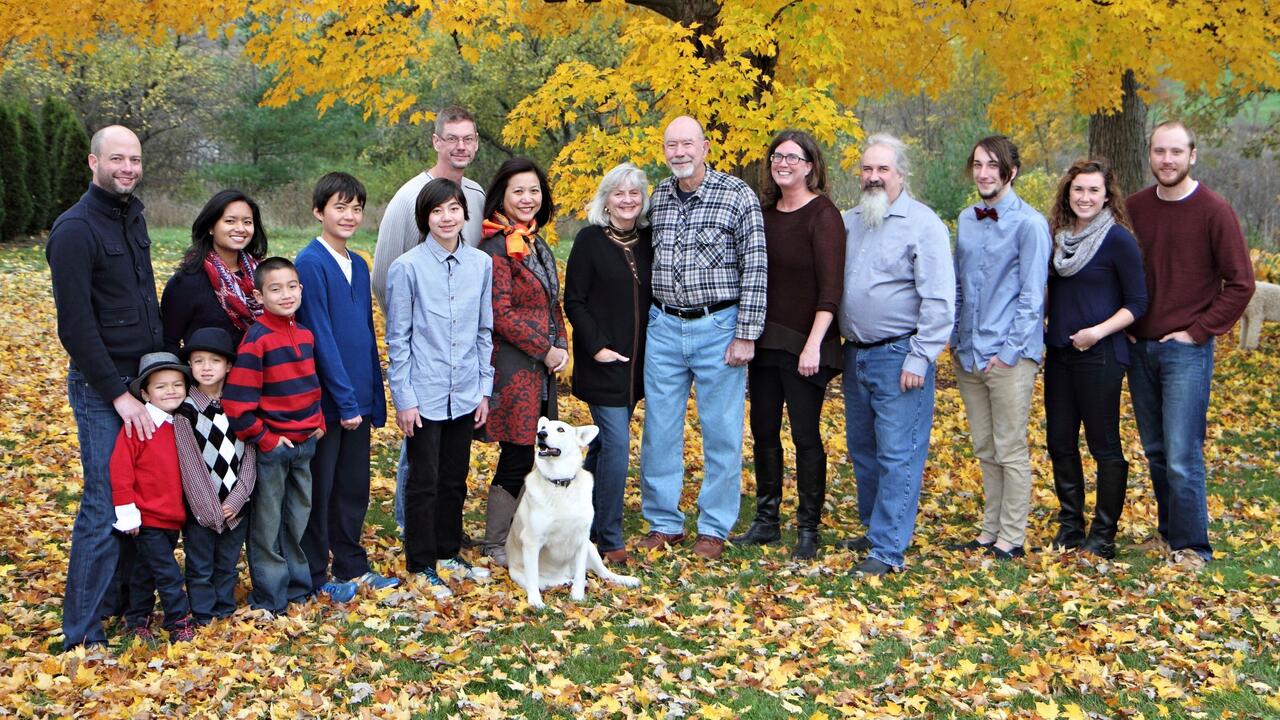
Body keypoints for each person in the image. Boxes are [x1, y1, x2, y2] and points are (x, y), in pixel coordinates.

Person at [47, 124, 163, 649]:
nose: (127, 168)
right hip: (104, 390)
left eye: (134, 159)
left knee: (136, 496)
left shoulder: (132, 217)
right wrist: (117, 393)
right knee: (102, 501)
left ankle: (120, 603)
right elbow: (75, 326)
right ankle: (82, 633)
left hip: (144, 385)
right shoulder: (74, 230)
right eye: (116, 159)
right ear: (92, 163)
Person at [1125, 121, 1255, 570]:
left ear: (1192, 155)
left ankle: (1193, 547)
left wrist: (1198, 332)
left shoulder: (1214, 210)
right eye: (1160, 151)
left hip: (1186, 350)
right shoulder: (1135, 208)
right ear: (1150, 156)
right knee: (1157, 452)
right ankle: (1169, 535)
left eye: (1176, 152)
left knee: (1182, 453)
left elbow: (1241, 284)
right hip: (1139, 348)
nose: (1167, 160)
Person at [638, 115, 768, 561]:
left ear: (706, 147)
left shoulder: (737, 196)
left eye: (687, 143)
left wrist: (747, 334)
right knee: (659, 429)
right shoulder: (658, 197)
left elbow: (756, 267)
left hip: (719, 328)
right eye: (671, 144)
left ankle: (713, 527)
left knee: (722, 431)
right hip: (665, 326)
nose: (679, 152)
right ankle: (663, 522)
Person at [836, 133, 955, 576]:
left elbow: (940, 299)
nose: (873, 176)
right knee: (863, 450)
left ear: (901, 175)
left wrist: (920, 357)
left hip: (899, 355)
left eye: (883, 169)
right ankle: (875, 528)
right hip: (856, 355)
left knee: (897, 453)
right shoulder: (852, 221)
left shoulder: (923, 224)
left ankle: (887, 550)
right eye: (867, 169)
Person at [371, 105, 487, 533]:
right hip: (424, 348)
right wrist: (416, 334)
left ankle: (441, 533)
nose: (461, 146)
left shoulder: (473, 195)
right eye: (451, 138)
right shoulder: (409, 198)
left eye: (469, 138)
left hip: (461, 349)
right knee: (419, 447)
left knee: (447, 457)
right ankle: (410, 524)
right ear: (436, 142)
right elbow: (385, 275)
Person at [729, 130, 844, 560]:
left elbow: (831, 290)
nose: (783, 163)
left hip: (806, 346)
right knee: (763, 433)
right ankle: (766, 520)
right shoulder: (763, 215)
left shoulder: (824, 216)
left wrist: (814, 344)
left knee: (805, 435)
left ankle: (808, 527)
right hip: (765, 344)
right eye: (777, 156)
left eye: (793, 158)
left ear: (811, 165)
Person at [386, 178, 495, 598]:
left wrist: (483, 389)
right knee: (424, 479)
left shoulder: (480, 265)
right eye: (437, 211)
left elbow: (484, 330)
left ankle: (449, 552)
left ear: (464, 215)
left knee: (455, 478)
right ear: (425, 218)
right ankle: (421, 562)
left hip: (466, 389)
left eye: (454, 209)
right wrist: (405, 400)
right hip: (425, 393)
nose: (446, 218)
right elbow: (398, 339)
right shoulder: (407, 267)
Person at [295, 173, 397, 603]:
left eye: (356, 208)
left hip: (358, 398)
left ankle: (353, 563)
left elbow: (363, 334)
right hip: (329, 403)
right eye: (340, 207)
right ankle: (316, 573)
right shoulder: (309, 263)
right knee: (323, 487)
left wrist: (374, 396)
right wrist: (345, 400)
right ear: (319, 212)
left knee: (354, 486)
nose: (349, 215)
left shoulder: (358, 263)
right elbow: (320, 336)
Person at [947, 136, 1050, 560]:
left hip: (1008, 356)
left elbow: (1032, 296)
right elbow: (956, 283)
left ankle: (1012, 536)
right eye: (978, 165)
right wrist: (954, 338)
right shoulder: (966, 219)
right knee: (984, 448)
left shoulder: (1030, 224)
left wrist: (1007, 353)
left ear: (1012, 170)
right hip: (968, 352)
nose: (984, 173)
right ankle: (989, 531)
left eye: (993, 165)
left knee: (1009, 448)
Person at [1044, 159, 1148, 559]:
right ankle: (1071, 525)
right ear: (1067, 194)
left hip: (1101, 354)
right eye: (1078, 190)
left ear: (1107, 196)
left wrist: (1097, 332)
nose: (1085, 197)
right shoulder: (1058, 237)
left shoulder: (1118, 239)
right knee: (1059, 442)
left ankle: (1103, 534)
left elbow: (1137, 302)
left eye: (1093, 190)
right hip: (1059, 354)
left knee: (1104, 445)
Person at [476, 158, 568, 567]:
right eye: (519, 191)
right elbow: (499, 312)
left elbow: (553, 302)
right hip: (514, 368)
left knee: (535, 451)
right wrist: (544, 349)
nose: (528, 198)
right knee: (516, 452)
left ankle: (521, 533)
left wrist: (562, 344)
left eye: (534, 190)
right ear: (503, 197)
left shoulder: (535, 241)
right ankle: (495, 541)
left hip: (542, 369)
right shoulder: (496, 248)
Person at [223, 257, 326, 616]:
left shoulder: (305, 335)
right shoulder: (258, 339)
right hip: (273, 448)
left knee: (297, 516)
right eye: (275, 288)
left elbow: (310, 387)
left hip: (304, 445)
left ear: (301, 289)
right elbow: (236, 403)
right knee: (267, 524)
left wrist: (318, 423)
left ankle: (298, 587)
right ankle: (270, 595)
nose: (286, 294)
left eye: (292, 286)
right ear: (259, 295)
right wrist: (265, 438)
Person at [563, 163, 654, 566]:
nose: (628, 200)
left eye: (634, 193)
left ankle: (583, 516)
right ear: (606, 199)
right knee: (617, 444)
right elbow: (574, 301)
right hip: (603, 362)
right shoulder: (589, 241)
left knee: (601, 445)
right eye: (619, 193)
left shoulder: (649, 241)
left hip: (640, 365)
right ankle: (609, 539)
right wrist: (597, 346)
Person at [110, 352, 197, 643]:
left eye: (177, 384)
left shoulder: (182, 425)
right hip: (146, 517)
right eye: (161, 386)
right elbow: (121, 469)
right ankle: (179, 622)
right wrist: (127, 511)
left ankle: (137, 618)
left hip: (173, 516)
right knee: (168, 572)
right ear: (145, 393)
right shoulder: (140, 426)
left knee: (145, 571)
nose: (170, 391)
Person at [173, 327, 257, 625]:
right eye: (198, 361)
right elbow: (190, 466)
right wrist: (210, 510)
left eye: (214, 361)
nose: (206, 368)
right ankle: (203, 613)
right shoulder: (186, 412)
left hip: (235, 504)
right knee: (200, 564)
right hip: (201, 509)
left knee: (227, 562)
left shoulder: (238, 407)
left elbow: (249, 456)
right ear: (190, 366)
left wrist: (237, 499)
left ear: (229, 366)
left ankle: (224, 608)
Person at [161, 190, 269, 353]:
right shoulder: (187, 281)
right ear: (211, 227)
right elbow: (169, 340)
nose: (240, 228)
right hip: (211, 376)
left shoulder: (264, 275)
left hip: (262, 373)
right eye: (230, 221)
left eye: (247, 222)